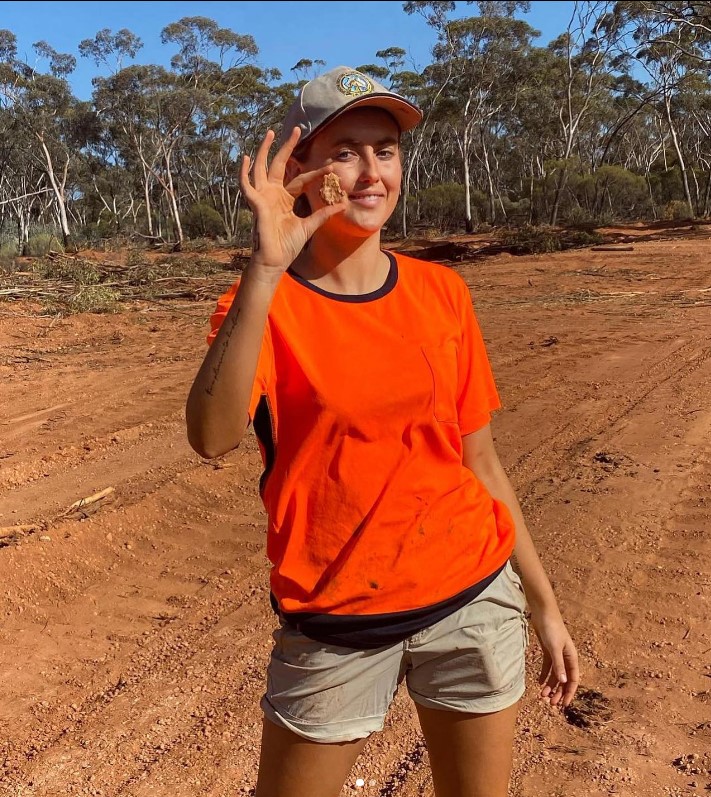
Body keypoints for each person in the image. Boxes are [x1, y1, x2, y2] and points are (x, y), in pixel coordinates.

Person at [185, 66, 579, 797]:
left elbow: (480, 463)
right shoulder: (264, 306)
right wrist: (264, 270)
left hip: (471, 599)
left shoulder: (441, 293)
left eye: (385, 150)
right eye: (344, 152)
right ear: (300, 168)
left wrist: (544, 606)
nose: (370, 171)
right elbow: (211, 437)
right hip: (335, 618)